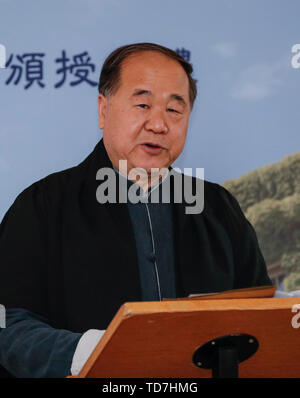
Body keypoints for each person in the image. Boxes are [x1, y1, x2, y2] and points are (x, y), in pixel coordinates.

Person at [0, 42, 272, 378]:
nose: (158, 124)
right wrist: (101, 351)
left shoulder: (217, 207)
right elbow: (8, 321)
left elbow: (261, 317)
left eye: (175, 110)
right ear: (103, 110)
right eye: (142, 104)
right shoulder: (43, 205)